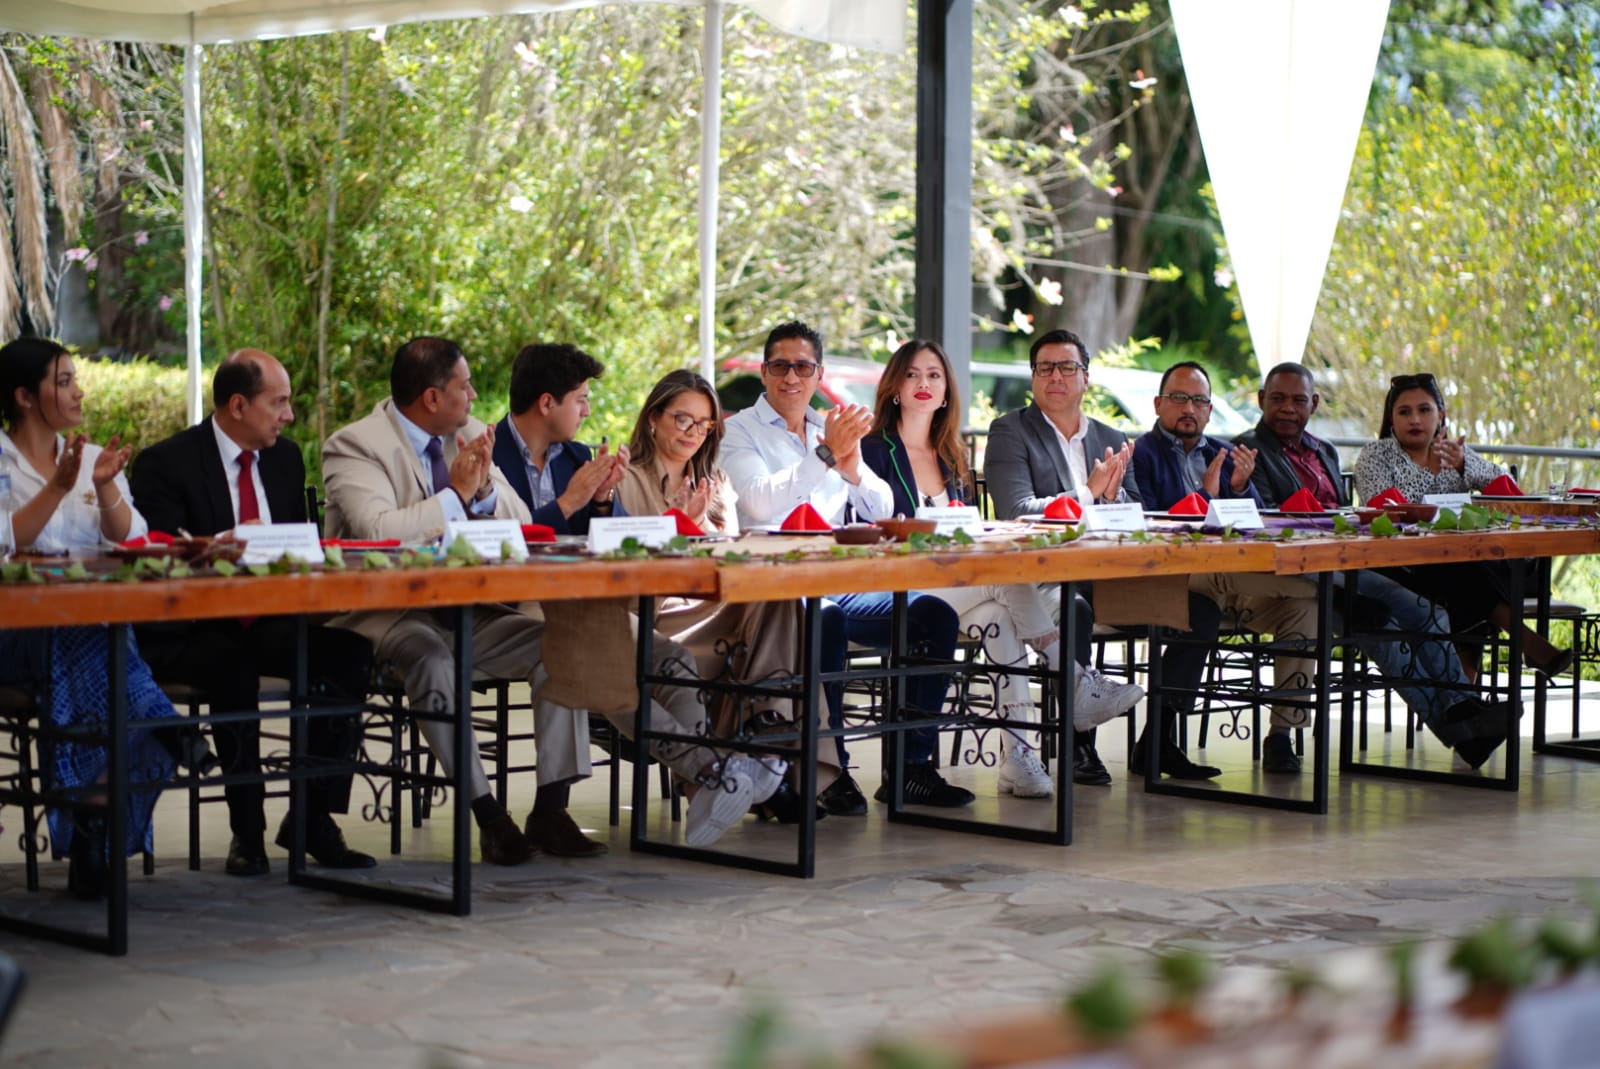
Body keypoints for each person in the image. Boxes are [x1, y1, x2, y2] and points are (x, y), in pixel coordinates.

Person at [858, 339, 1144, 799]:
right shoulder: (874, 450)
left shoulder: (950, 453)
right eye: (912, 375)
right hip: (905, 584)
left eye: (934, 375)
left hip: (957, 587)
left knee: (1002, 619)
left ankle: (1020, 755)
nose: (924, 384)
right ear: (894, 386)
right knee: (1004, 574)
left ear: (948, 389)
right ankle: (1074, 682)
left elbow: (971, 531)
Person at [130, 349, 376, 876]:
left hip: (267, 619)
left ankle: (311, 817)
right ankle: (248, 832)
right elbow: (160, 560)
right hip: (193, 629)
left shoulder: (284, 460)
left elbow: (293, 548)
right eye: (279, 403)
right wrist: (220, 547)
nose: (288, 416)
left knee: (350, 654)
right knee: (231, 666)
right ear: (238, 405)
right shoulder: (164, 464)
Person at [722, 320, 972, 809]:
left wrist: (853, 466)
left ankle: (911, 768)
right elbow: (758, 504)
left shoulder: (830, 426)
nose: (791, 377)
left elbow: (882, 507)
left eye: (803, 366)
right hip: (775, 584)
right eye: (780, 366)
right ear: (764, 372)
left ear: (819, 373)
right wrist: (824, 454)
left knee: (932, 615)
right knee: (827, 618)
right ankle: (827, 770)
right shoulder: (739, 431)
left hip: (842, 579)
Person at [984, 330, 1224, 782]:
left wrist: (1110, 502)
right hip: (1046, 581)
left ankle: (1159, 740)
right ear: (1034, 378)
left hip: (1111, 577)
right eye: (1045, 367)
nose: (1056, 376)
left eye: (1067, 367)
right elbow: (1017, 512)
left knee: (1202, 612)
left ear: (1086, 378)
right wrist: (1089, 494)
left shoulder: (1112, 436)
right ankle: (1078, 746)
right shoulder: (1009, 431)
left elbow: (1134, 515)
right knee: (1076, 606)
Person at [0, 337, 181, 899]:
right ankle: (164, 725)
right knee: (100, 646)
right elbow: (5, 540)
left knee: (95, 635)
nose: (79, 391)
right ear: (25, 397)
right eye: (64, 381)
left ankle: (89, 821)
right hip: (15, 636)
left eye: (77, 378)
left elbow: (131, 539)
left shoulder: (90, 457)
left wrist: (101, 486)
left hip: (89, 633)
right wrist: (58, 487)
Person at [613, 368, 827, 821]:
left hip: (715, 607)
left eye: (705, 424)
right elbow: (629, 568)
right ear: (654, 418)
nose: (694, 432)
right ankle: (763, 747)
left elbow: (731, 565)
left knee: (784, 598)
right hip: (654, 612)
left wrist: (716, 518)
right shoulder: (627, 480)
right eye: (683, 420)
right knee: (775, 613)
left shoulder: (716, 482)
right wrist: (678, 524)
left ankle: (763, 743)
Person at [1354, 372, 1570, 694]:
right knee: (1465, 571)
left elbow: (1510, 493)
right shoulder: (1375, 455)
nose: (1415, 419)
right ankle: (1523, 644)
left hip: (1456, 567)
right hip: (1400, 564)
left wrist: (1465, 466)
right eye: (1404, 412)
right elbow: (1386, 508)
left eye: (1424, 410)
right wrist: (1430, 472)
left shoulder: (1453, 451)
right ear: (1391, 419)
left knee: (1465, 570)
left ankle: (1467, 693)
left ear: (1440, 415)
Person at [490, 343, 628, 532]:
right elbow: (493, 538)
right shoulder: (486, 457)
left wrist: (601, 497)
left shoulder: (578, 457)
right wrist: (568, 502)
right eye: (580, 400)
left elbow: (613, 542)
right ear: (546, 403)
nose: (587, 411)